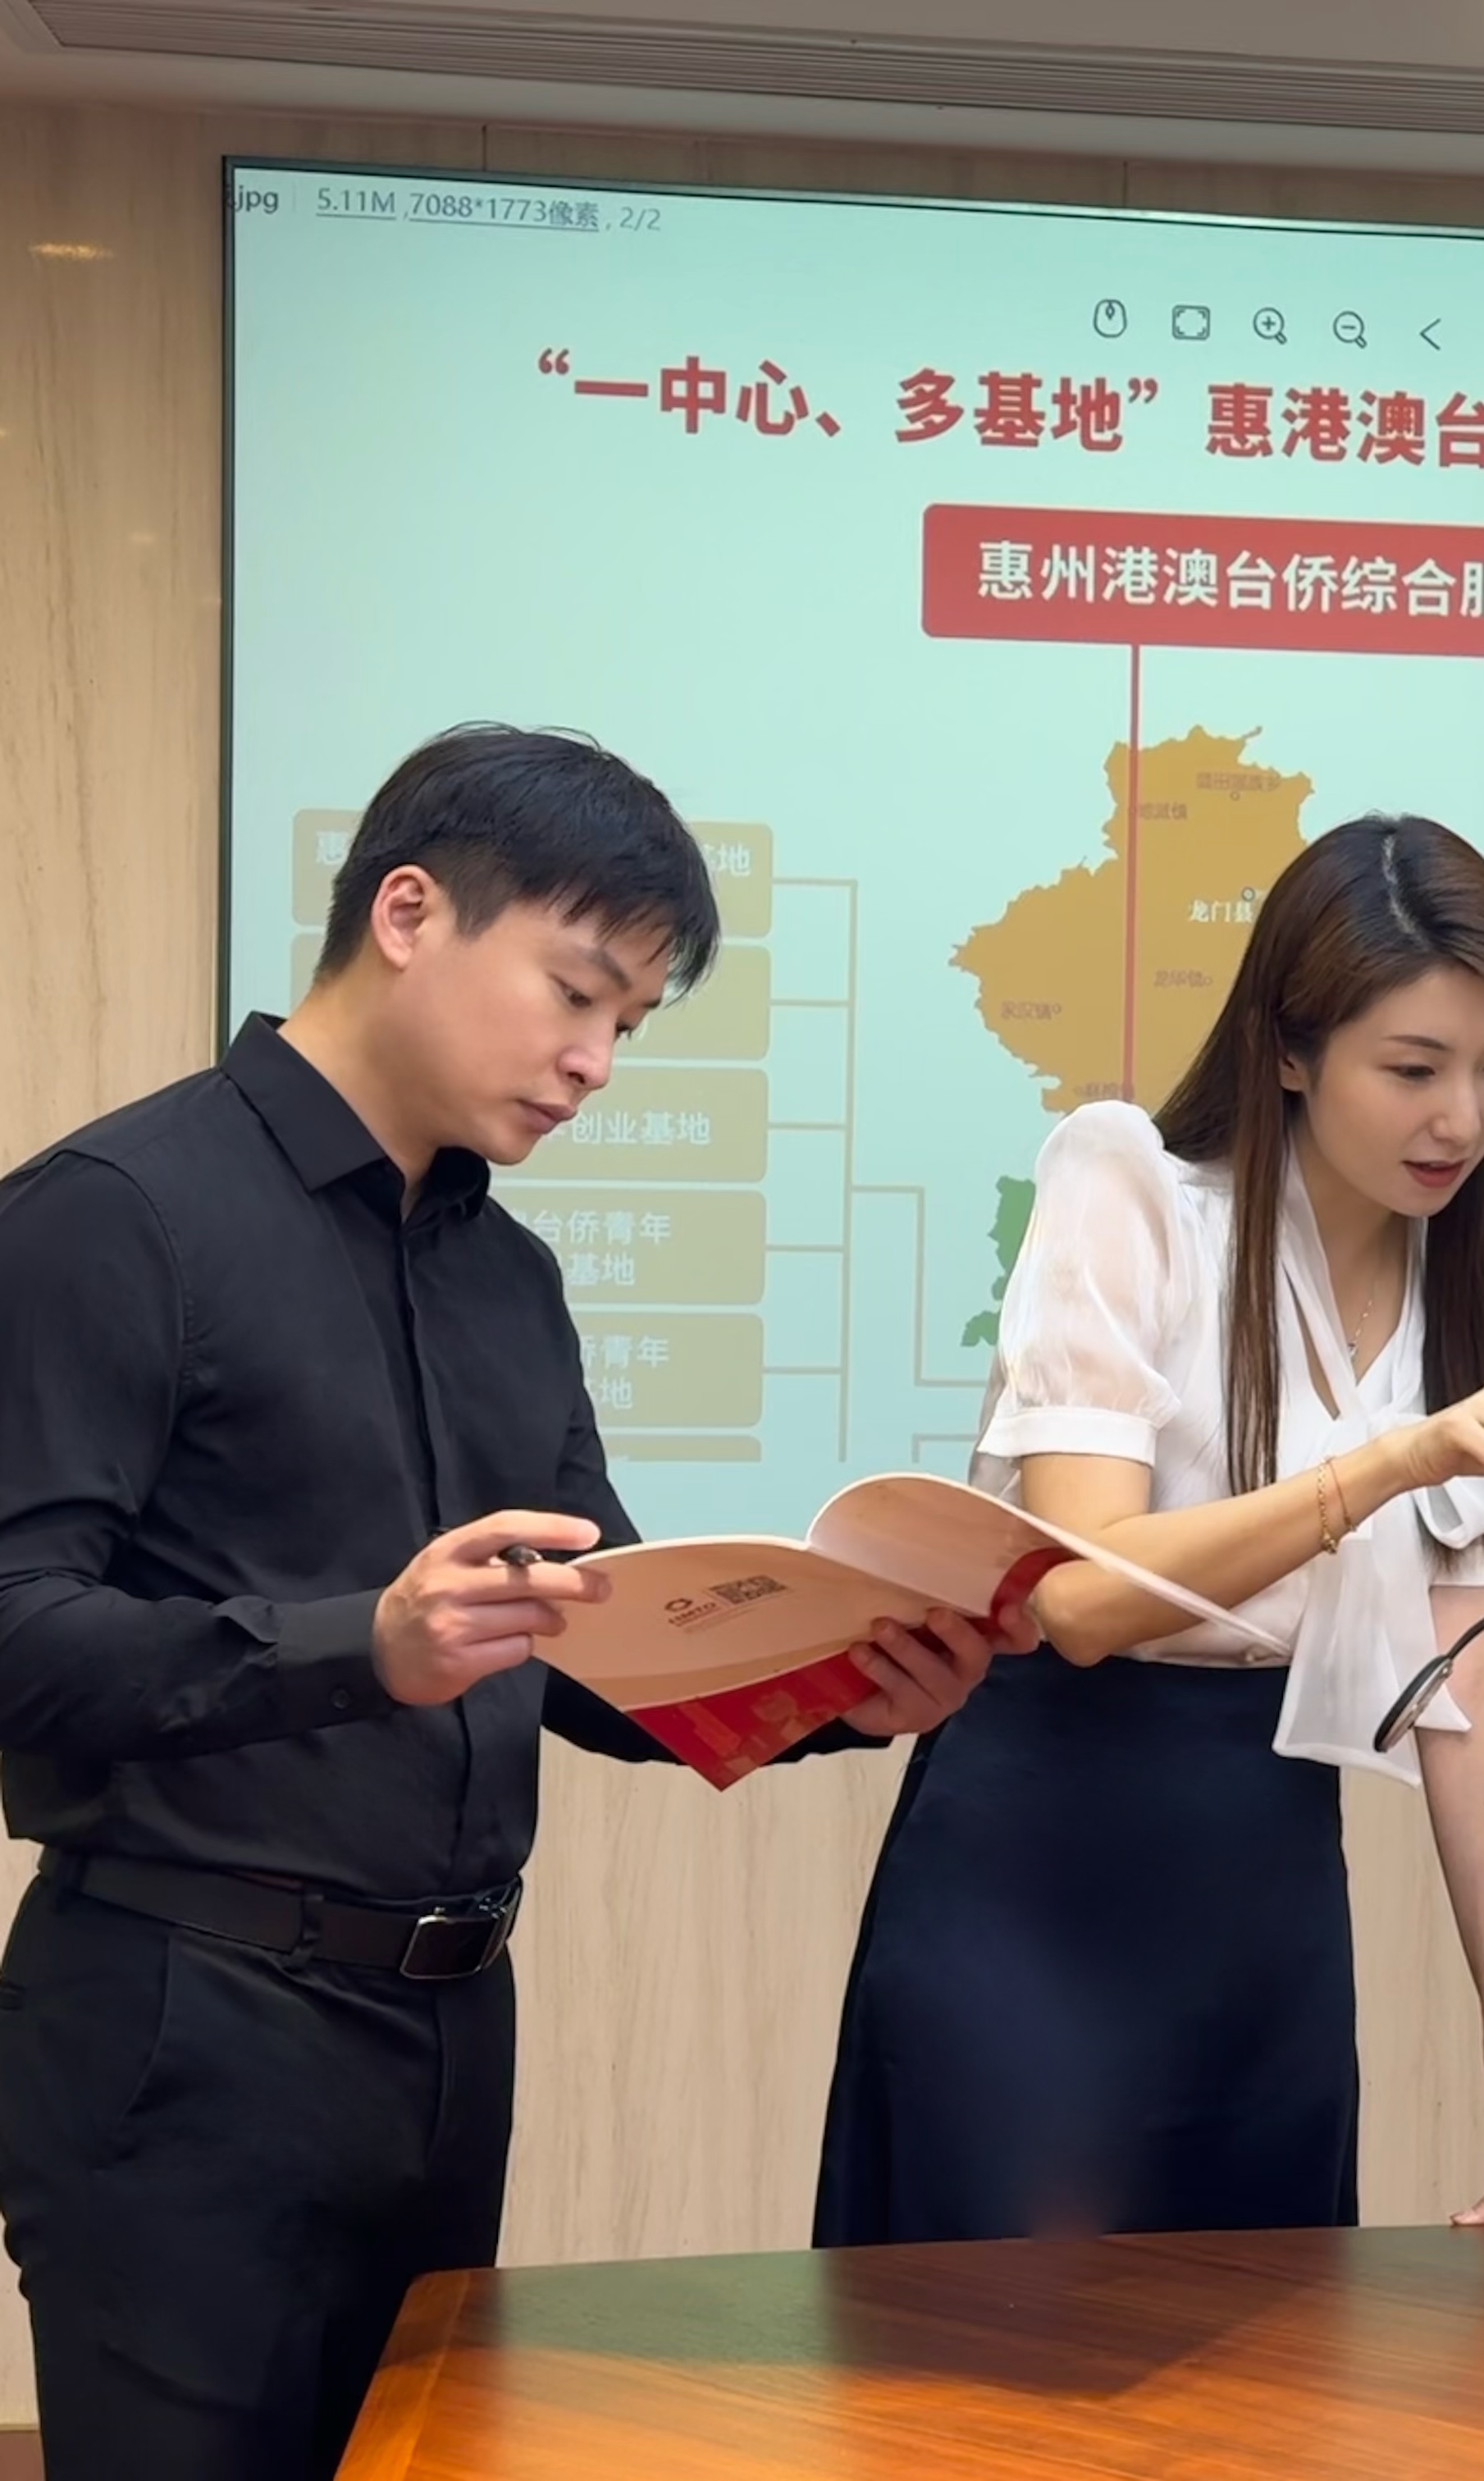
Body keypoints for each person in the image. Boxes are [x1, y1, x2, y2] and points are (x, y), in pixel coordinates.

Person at [0, 725, 1018, 2481]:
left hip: (453, 2028)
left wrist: (835, 1694)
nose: (596, 1062)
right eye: (576, 994)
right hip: (182, 2031)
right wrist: (364, 1645)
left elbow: (592, 1638)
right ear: (407, 914)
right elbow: (16, 1632)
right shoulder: (115, 1217)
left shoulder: (513, 1279)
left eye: (630, 1024)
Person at [815, 814, 1484, 2246]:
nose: (1462, 1118)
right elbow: (1084, 1599)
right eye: (1413, 1069)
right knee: (1005, 2349)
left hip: (1268, 1878)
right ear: (1291, 1050)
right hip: (1042, 1856)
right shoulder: (1134, 1192)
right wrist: (1387, 1463)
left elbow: (1472, 1685)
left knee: (1263, 2344)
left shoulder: (1477, 1297)